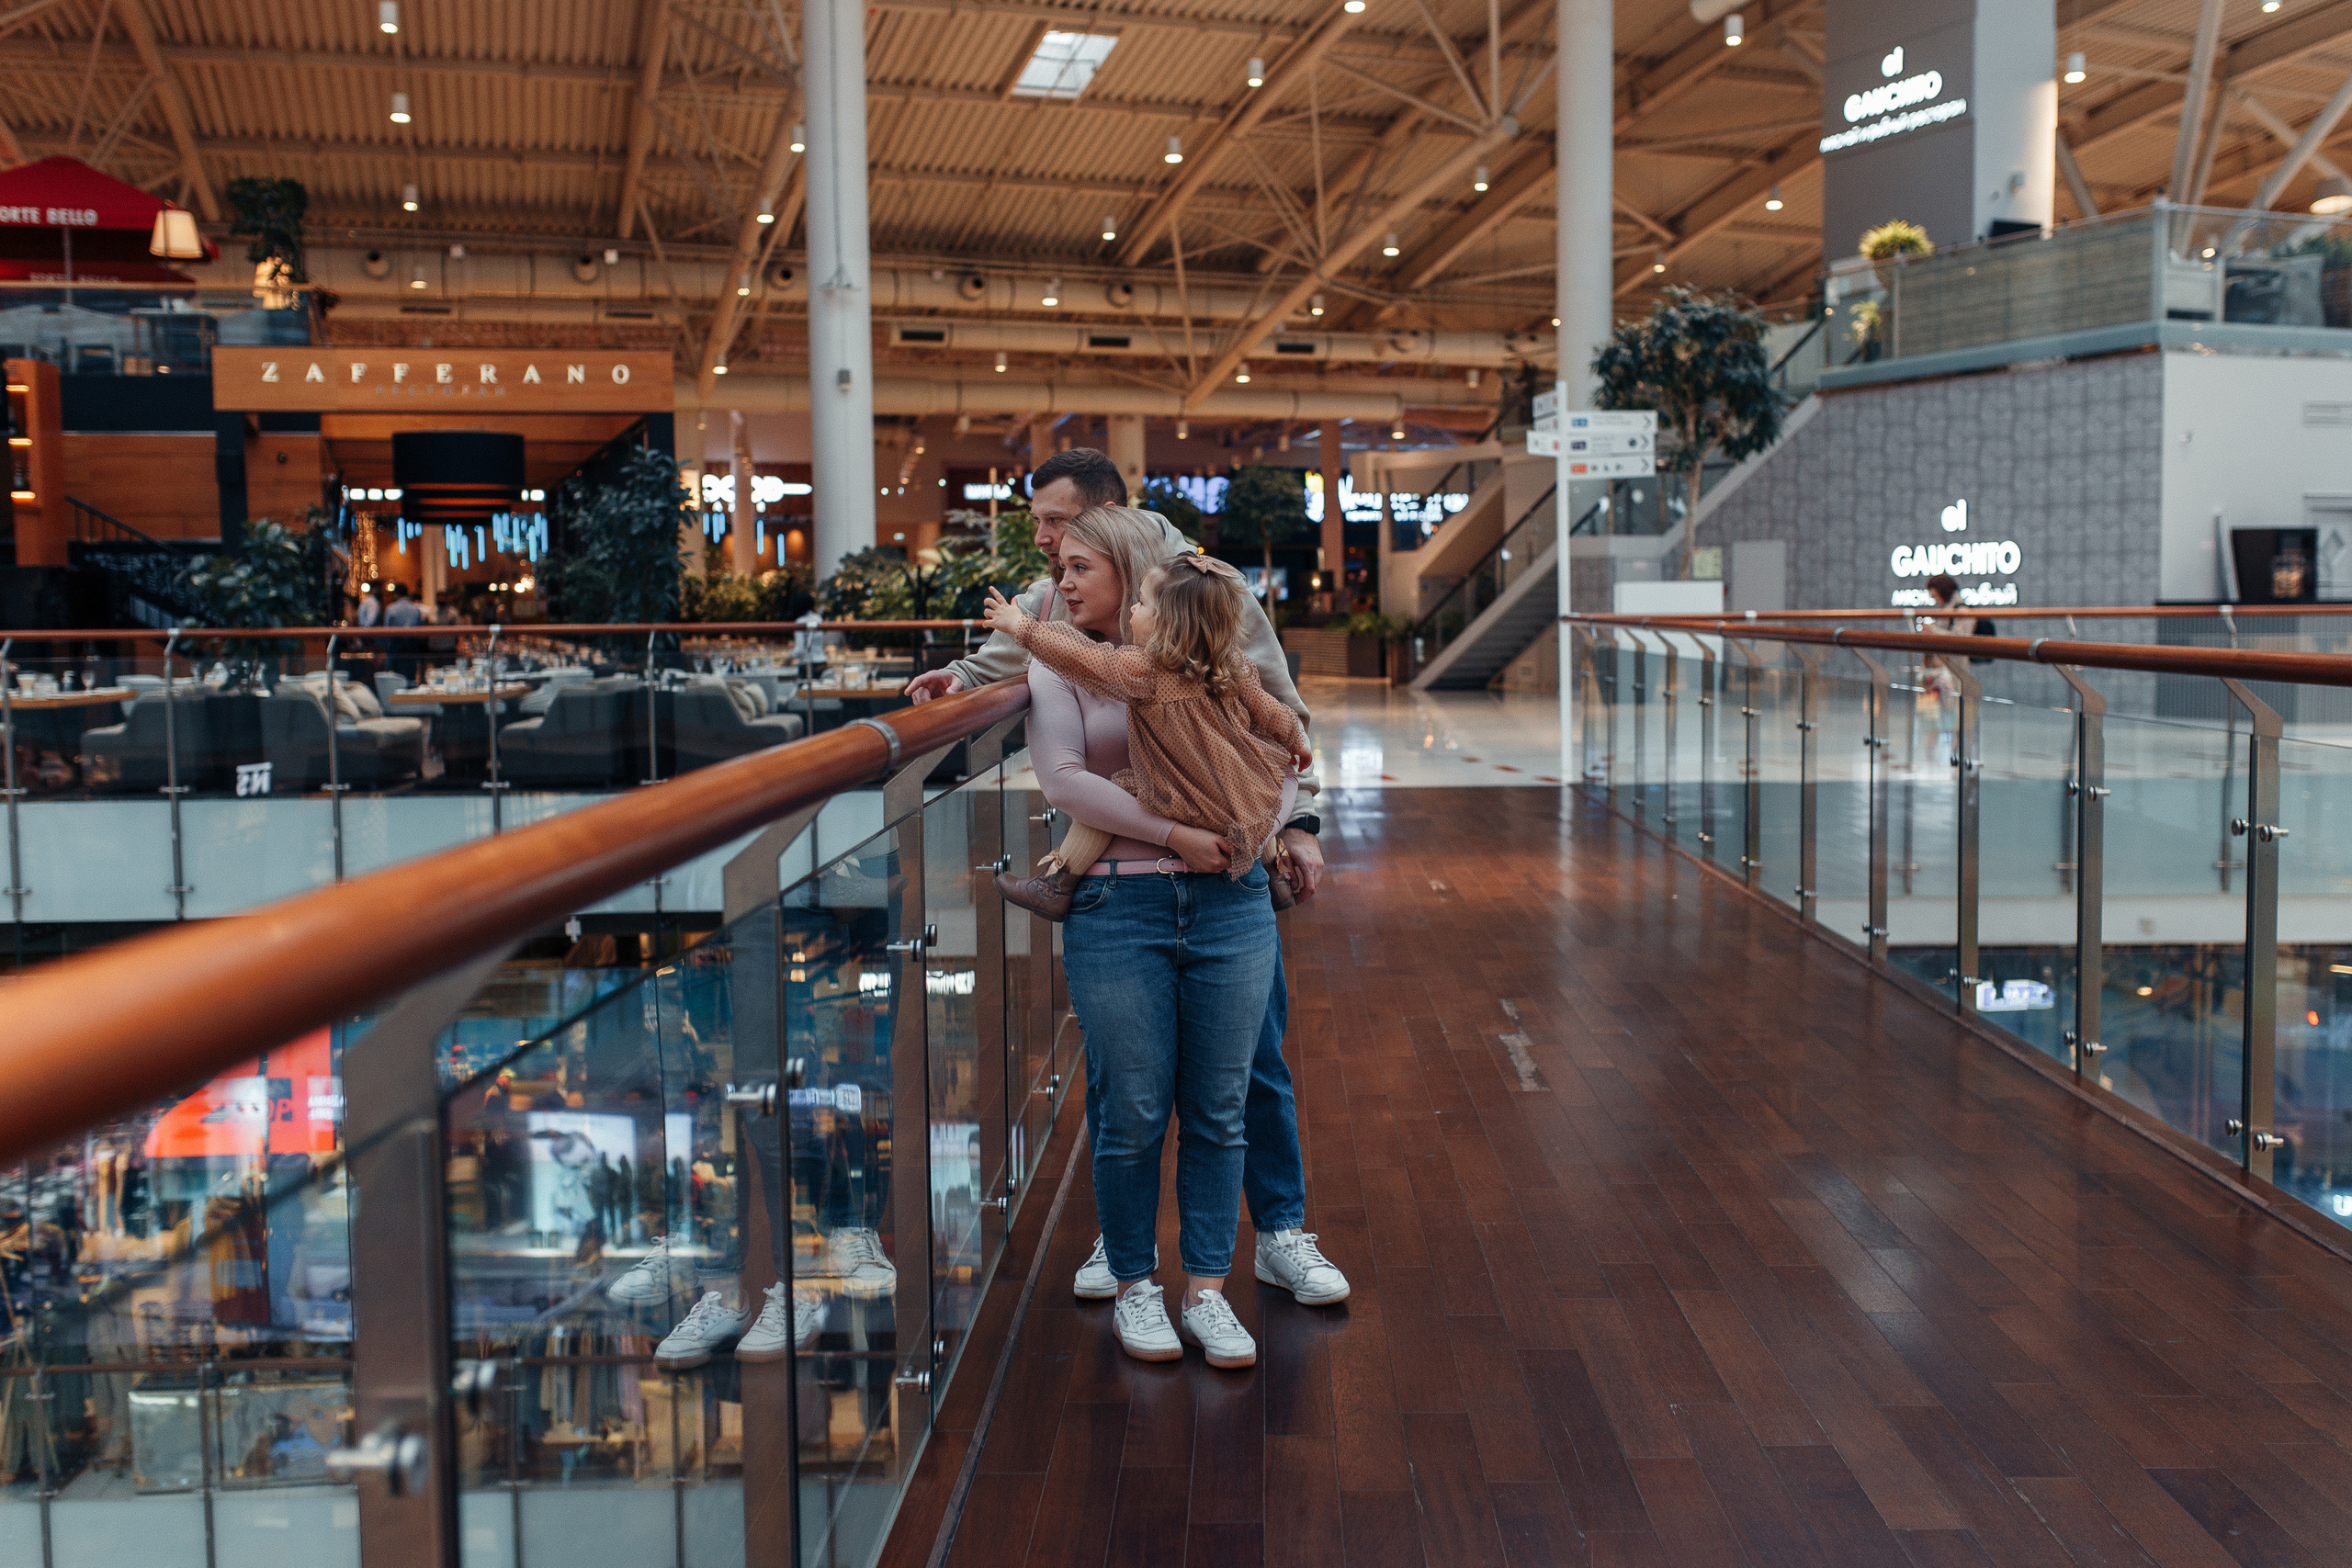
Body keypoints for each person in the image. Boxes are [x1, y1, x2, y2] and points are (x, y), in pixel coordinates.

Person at [904, 448, 1348, 1313]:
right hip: (1131, 882)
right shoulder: (1059, 597)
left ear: (1115, 520)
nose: (1044, 545)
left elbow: (1273, 708)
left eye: (1058, 525)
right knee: (1125, 1073)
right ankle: (1128, 1240)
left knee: (1249, 1063)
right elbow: (1019, 653)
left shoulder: (1200, 591)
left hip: (1225, 873)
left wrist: (1293, 822)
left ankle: (1283, 1230)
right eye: (1043, 531)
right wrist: (957, 678)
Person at [1020, 504, 1287, 1367]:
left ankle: (1207, 1289)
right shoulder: (1065, 660)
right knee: (1132, 1108)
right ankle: (1136, 1282)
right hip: (1118, 906)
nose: (1060, 583)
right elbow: (1063, 778)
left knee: (1218, 1106)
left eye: (1078, 568)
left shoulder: (1213, 654)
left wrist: (1251, 827)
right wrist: (1181, 834)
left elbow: (1276, 749)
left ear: (1134, 578)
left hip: (1231, 900)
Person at [982, 546, 1310, 919]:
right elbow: (1269, 709)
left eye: (1143, 605)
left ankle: (1057, 883)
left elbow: (1084, 658)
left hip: (1177, 787)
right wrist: (1296, 741)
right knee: (1254, 794)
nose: (1134, 611)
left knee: (1113, 792)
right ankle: (1276, 875)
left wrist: (1022, 627)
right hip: (1232, 779)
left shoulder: (1145, 671)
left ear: (1169, 623)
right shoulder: (1233, 663)